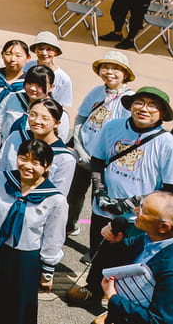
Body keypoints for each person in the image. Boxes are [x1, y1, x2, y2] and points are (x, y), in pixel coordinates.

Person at [70, 86, 173, 305]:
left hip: (138, 218)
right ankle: (93, 290)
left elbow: (171, 188)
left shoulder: (169, 144)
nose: (144, 109)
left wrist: (131, 203)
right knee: (99, 251)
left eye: (153, 106)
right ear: (131, 105)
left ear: (161, 113)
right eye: (139, 102)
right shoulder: (112, 127)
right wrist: (100, 190)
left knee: (129, 262)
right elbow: (98, 160)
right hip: (103, 208)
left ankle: (120, 305)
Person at [0, 138, 67, 324]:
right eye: (23, 158)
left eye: (36, 162)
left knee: (15, 311)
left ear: (47, 166)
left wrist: (48, 271)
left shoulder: (55, 200)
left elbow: (53, 238)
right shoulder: (2, 179)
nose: (27, 166)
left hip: (25, 260)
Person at [98, 191, 173, 324]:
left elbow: (159, 321)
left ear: (164, 227)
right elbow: (126, 250)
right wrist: (114, 240)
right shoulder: (152, 238)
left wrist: (114, 298)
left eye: (143, 210)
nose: (136, 210)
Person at [71, 52, 135, 234]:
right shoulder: (96, 92)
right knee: (73, 195)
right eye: (105, 67)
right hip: (82, 156)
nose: (109, 72)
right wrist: (79, 148)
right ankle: (69, 226)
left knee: (100, 205)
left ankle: (96, 245)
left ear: (125, 73)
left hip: (105, 163)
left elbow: (126, 138)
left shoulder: (130, 99)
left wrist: (106, 160)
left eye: (116, 68)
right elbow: (81, 118)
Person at [29, 30, 75, 108]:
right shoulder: (26, 67)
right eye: (41, 49)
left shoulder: (64, 79)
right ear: (35, 50)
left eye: (49, 49)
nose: (44, 53)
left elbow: (61, 105)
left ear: (56, 52)